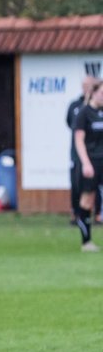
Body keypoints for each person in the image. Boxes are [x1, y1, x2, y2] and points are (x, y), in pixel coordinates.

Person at [71, 81, 103, 252]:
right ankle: (86, 241)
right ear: (94, 93)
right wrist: (85, 163)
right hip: (90, 162)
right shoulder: (84, 113)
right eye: (102, 93)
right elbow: (79, 140)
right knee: (87, 200)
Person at [67, 76, 99, 222]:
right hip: (83, 157)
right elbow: (74, 130)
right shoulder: (77, 107)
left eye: (88, 84)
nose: (85, 87)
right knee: (82, 191)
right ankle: (78, 216)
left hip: (99, 158)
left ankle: (98, 215)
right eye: (83, 84)